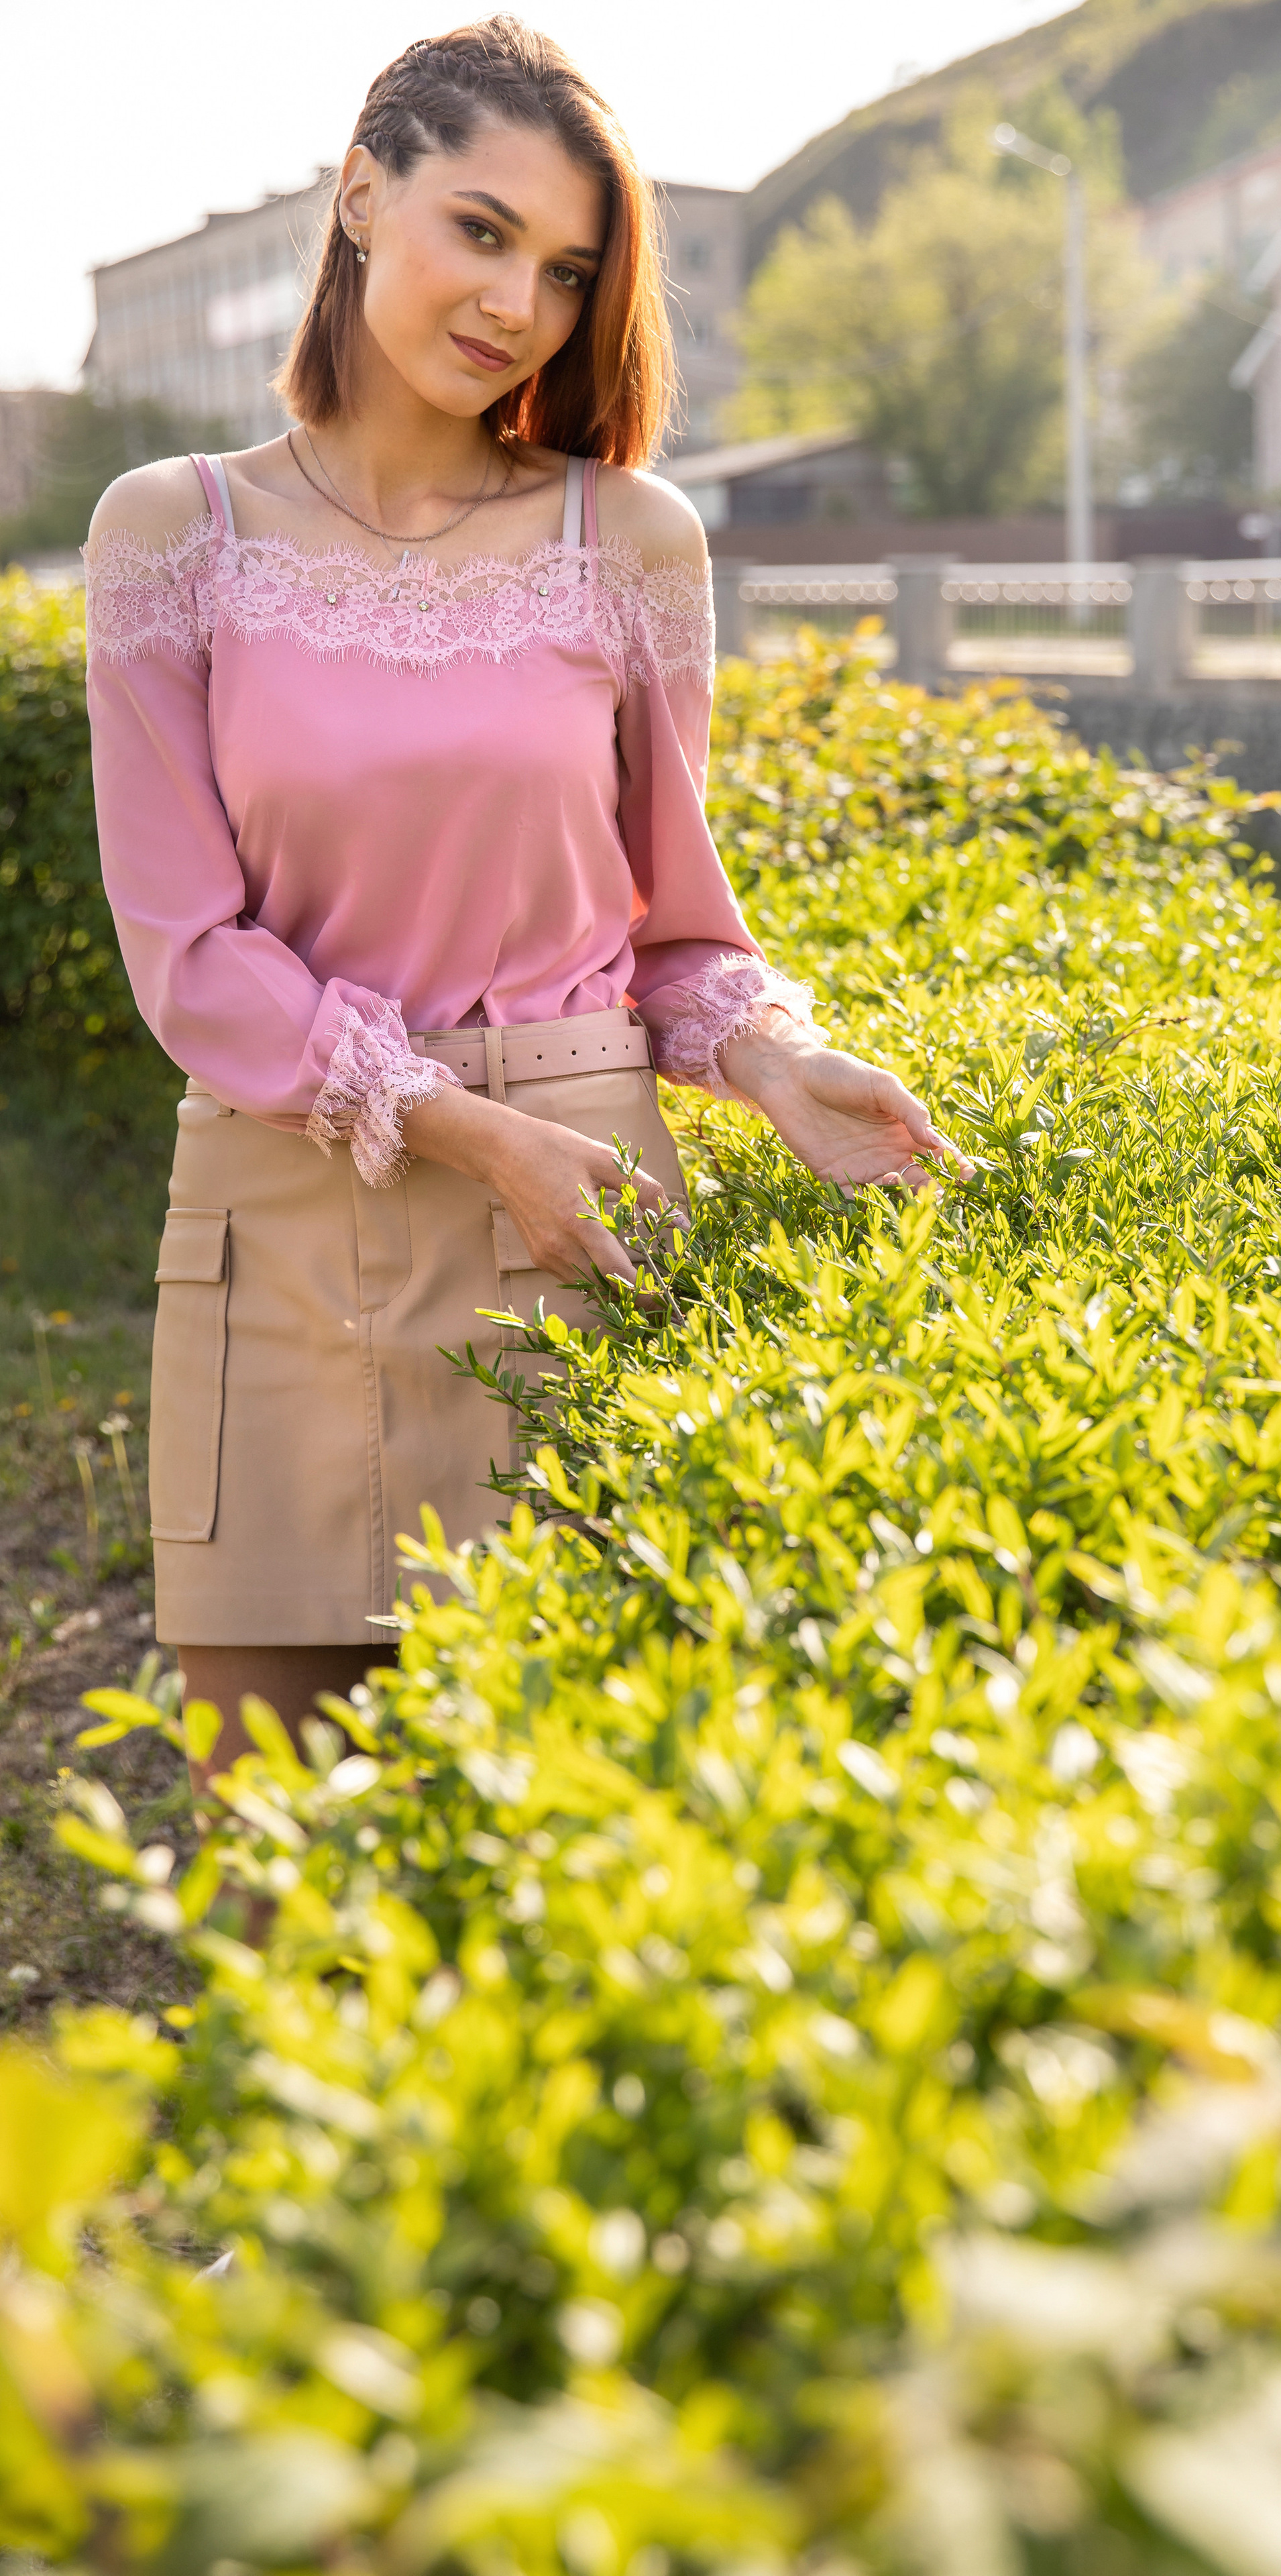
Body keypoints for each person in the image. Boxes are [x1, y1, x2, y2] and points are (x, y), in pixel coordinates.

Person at [84, 15, 966, 1772]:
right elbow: (187, 955)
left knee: (560, 1846)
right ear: (358, 198)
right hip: (284, 1220)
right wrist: (462, 1126)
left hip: (576, 1222)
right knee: (273, 1851)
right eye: (480, 231)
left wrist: (779, 1061)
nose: (520, 304)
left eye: (567, 270)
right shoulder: (166, 531)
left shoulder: (631, 539)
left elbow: (681, 931)